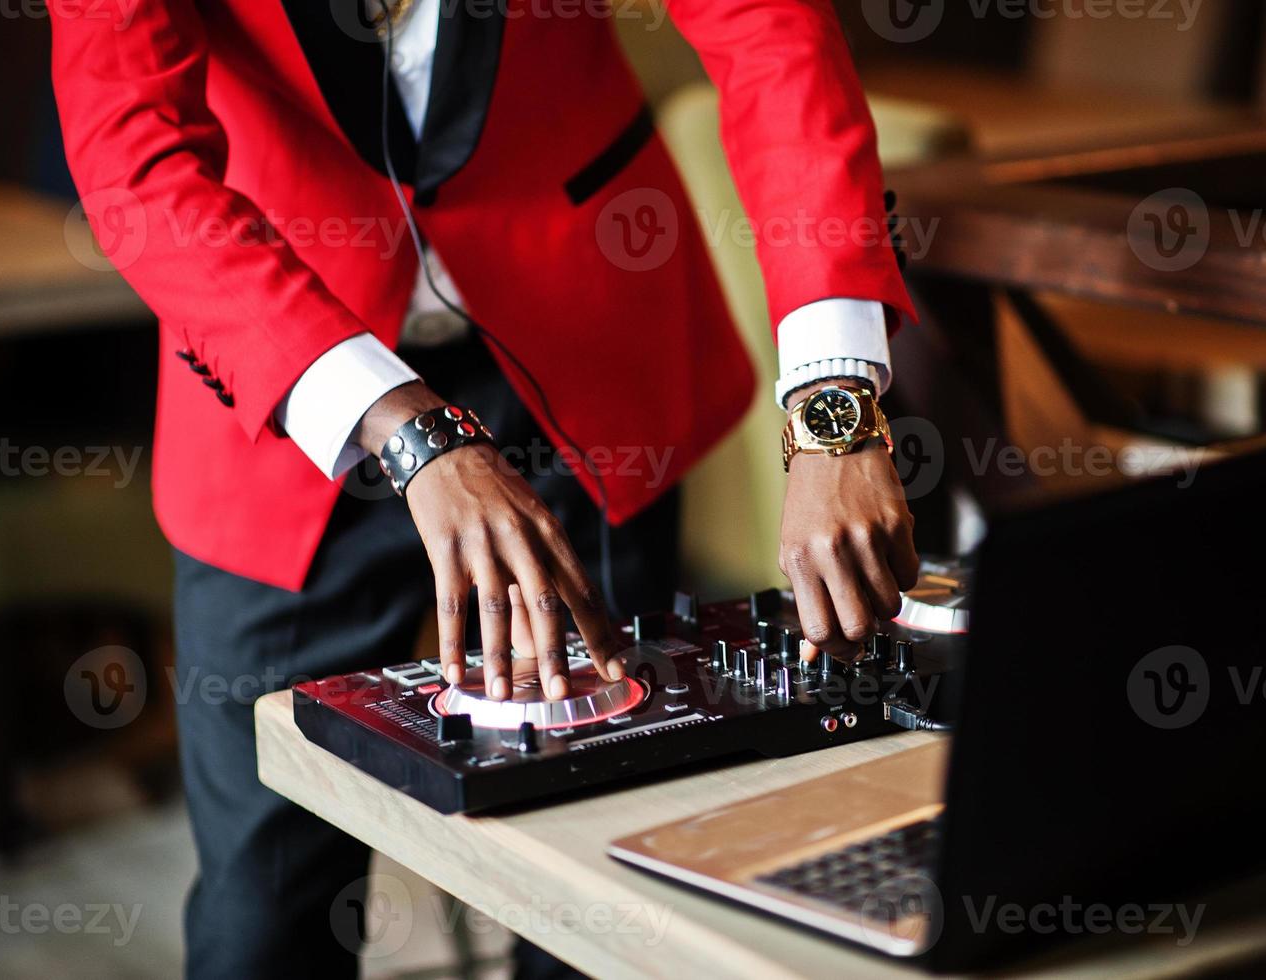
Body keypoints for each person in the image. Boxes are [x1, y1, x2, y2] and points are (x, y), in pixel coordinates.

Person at [50, 0, 919, 976]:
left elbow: (770, 31)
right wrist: (401, 424)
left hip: (586, 355)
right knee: (264, 919)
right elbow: (133, 156)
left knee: (602, 888)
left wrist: (833, 402)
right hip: (289, 378)